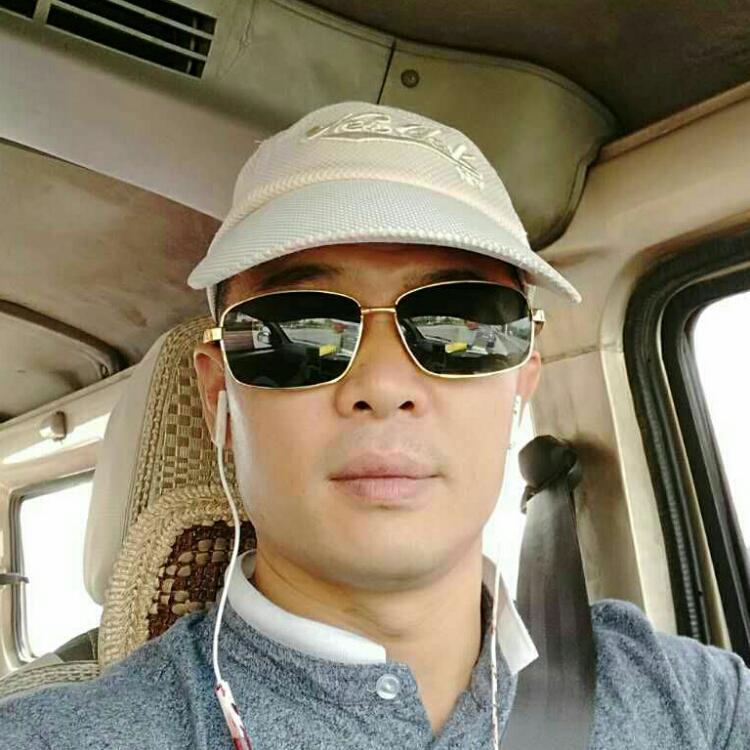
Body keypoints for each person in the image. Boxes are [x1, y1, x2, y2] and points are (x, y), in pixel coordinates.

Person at [1, 101, 748, 749]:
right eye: (299, 331)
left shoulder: (695, 703)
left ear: (523, 377)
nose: (384, 386)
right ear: (219, 397)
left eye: (462, 327)